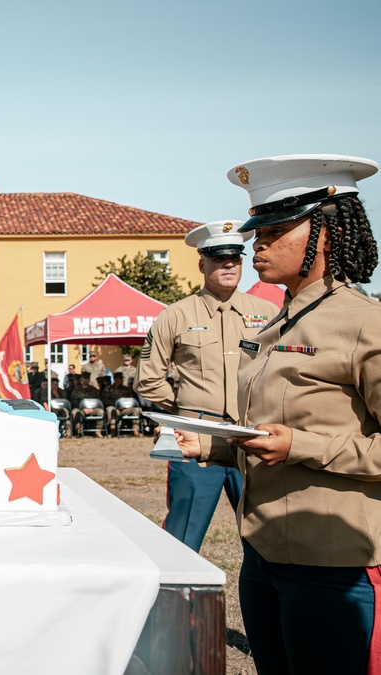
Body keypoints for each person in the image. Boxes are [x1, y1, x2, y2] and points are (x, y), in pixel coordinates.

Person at [169, 154, 381, 673]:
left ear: (327, 234)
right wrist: (214, 443)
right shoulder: (280, 320)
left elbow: (304, 435)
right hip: (264, 556)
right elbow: (271, 421)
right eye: (257, 230)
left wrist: (300, 446)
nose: (257, 244)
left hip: (334, 563)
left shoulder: (363, 323)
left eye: (276, 230)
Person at [136, 219, 279, 553]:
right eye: (218, 258)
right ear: (203, 264)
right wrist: (185, 409)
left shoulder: (268, 313)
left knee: (267, 537)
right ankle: (175, 597)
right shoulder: (175, 314)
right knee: (183, 536)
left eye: (235, 258)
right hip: (195, 436)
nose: (228, 265)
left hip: (250, 433)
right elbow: (149, 378)